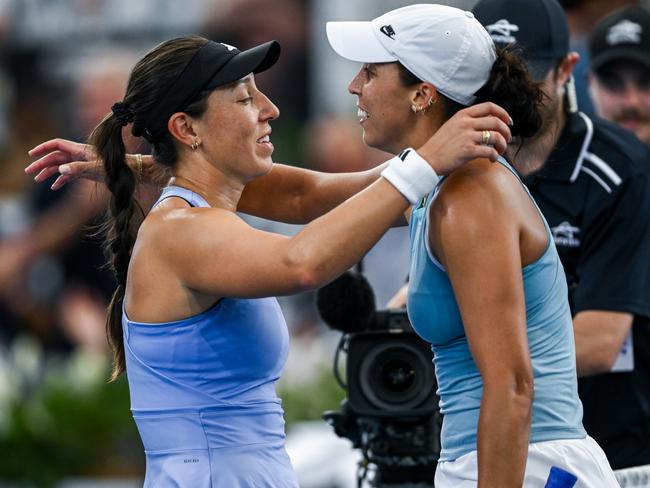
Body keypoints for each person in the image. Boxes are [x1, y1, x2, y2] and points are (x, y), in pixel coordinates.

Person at [28, 5, 618, 486]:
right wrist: (137, 166)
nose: (352, 84)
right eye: (245, 96)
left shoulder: (462, 191)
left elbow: (311, 207)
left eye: (371, 70)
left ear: (423, 94)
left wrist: (141, 165)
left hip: (527, 465)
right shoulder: (186, 229)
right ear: (188, 129)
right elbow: (304, 234)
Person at [474, 0, 650, 470]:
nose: (507, 95)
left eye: (524, 79)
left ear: (567, 70)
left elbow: (601, 340)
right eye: (492, 79)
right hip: (494, 438)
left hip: (613, 447)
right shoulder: (461, 163)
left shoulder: (619, 170)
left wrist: (467, 365)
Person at [588, 4, 650, 147]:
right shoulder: (570, 166)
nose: (631, 102)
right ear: (590, 85)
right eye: (613, 84)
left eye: (646, 83)